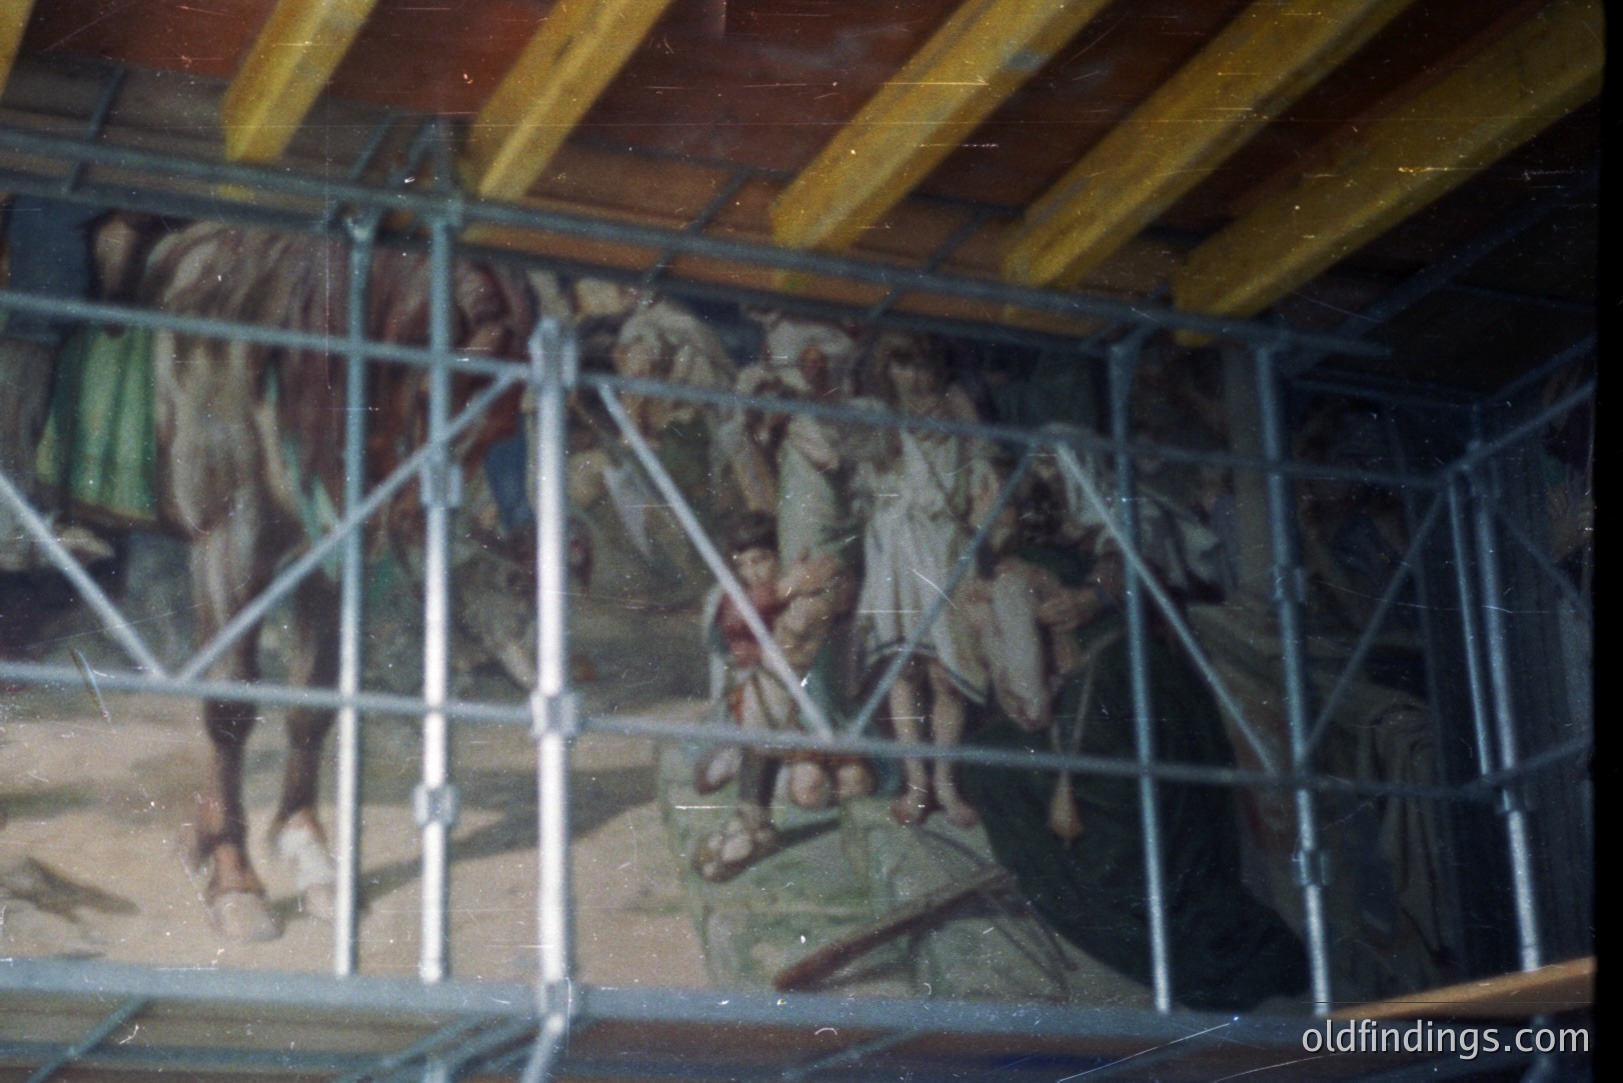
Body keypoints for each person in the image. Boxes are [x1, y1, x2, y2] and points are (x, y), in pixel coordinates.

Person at [853, 331, 999, 827]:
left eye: (921, 365)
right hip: (895, 550)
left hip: (944, 547)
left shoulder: (956, 403)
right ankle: (916, 784)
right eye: (901, 365)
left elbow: (983, 467)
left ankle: (945, 784)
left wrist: (981, 505)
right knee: (903, 668)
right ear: (886, 369)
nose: (912, 377)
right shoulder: (879, 413)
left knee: (947, 674)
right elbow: (862, 468)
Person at [692, 512, 870, 881]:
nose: (753, 572)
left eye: (761, 560)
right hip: (765, 708)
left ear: (779, 552)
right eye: (744, 564)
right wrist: (786, 586)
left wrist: (801, 587)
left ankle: (756, 797)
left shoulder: (812, 591)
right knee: (714, 776)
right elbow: (735, 623)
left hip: (816, 713)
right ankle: (753, 804)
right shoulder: (749, 595)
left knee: (843, 786)